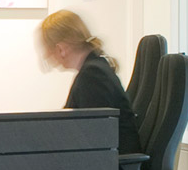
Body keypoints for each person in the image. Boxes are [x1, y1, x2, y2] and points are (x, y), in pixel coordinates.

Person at [37, 10, 142, 154]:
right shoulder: (95, 68)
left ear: (60, 49)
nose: (47, 56)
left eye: (47, 50)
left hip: (111, 165)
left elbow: (95, 139)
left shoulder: (92, 76)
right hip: (109, 162)